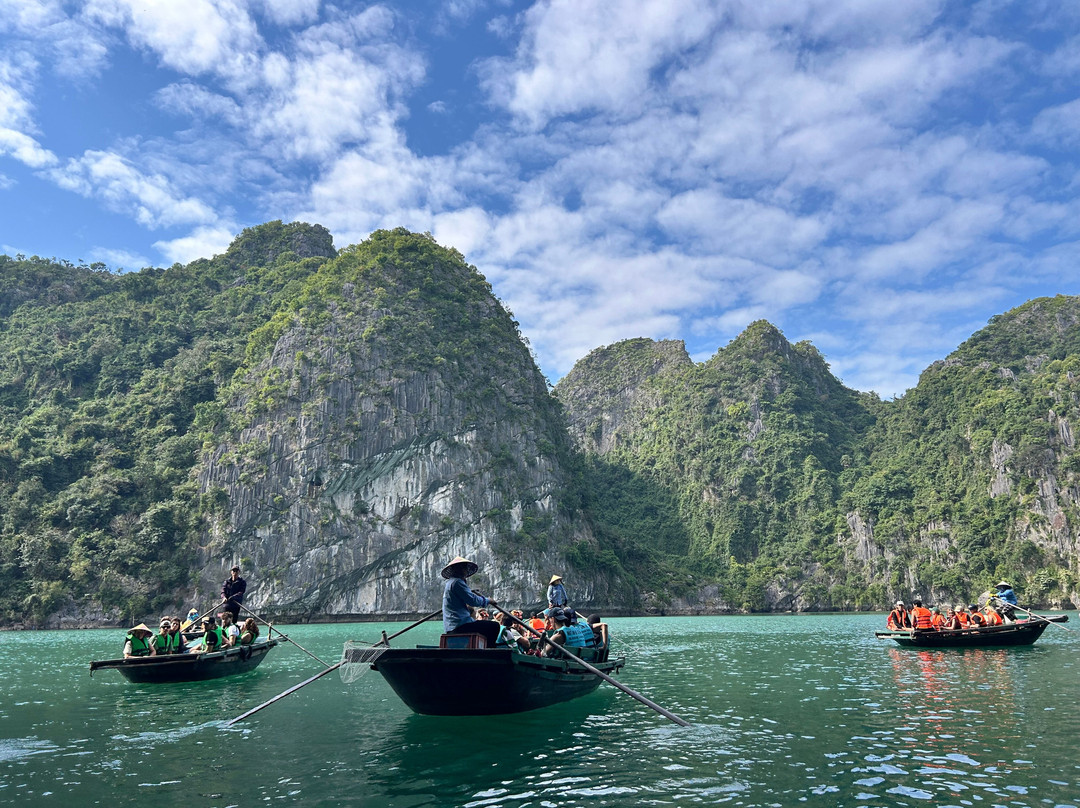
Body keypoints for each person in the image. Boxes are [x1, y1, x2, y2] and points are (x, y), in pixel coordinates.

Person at [441, 555, 500, 646]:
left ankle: (483, 647)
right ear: (458, 569)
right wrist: (488, 600)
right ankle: (489, 651)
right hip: (459, 625)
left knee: (484, 626)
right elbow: (473, 600)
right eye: (464, 567)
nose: (465, 570)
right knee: (494, 626)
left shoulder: (450, 583)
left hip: (451, 626)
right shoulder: (457, 582)